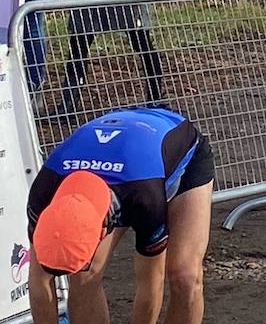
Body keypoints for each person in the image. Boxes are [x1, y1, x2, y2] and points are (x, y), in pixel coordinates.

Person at [27, 107, 214, 324]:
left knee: (185, 276)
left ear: (104, 227)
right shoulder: (43, 195)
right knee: (84, 275)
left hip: (174, 154)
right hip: (122, 154)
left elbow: (150, 284)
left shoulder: (145, 199)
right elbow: (38, 280)